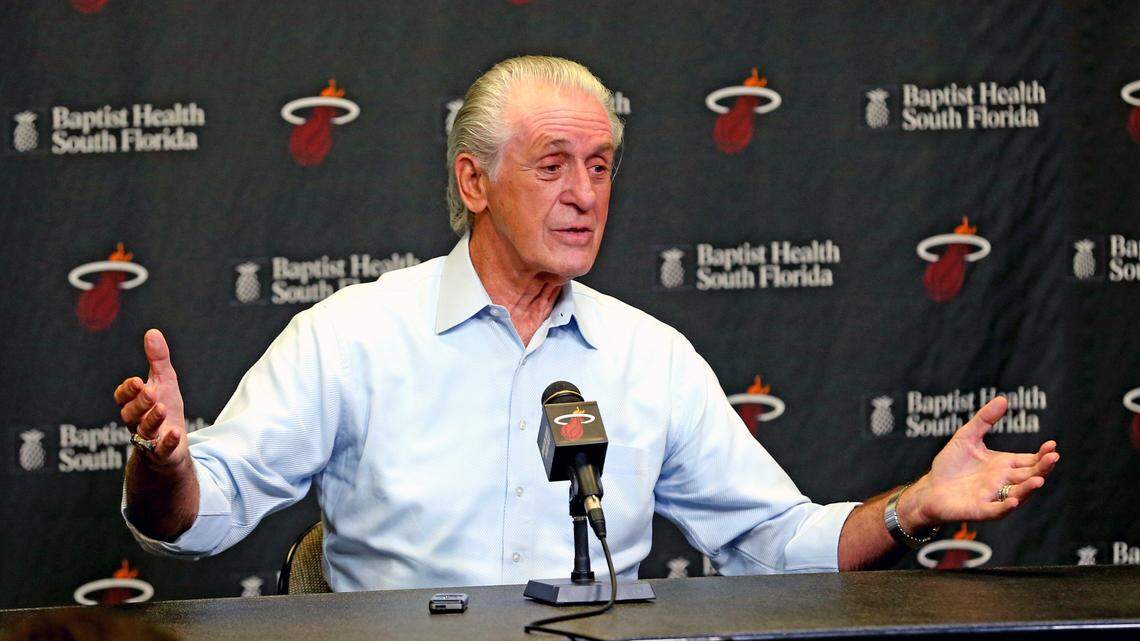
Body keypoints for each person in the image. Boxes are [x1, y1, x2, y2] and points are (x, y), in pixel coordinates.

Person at [116, 56, 1058, 591]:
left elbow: (774, 541)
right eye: (553, 164)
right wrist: (167, 467)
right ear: (473, 181)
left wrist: (911, 507)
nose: (584, 196)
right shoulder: (354, 336)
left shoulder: (650, 359)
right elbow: (204, 513)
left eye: (601, 166)